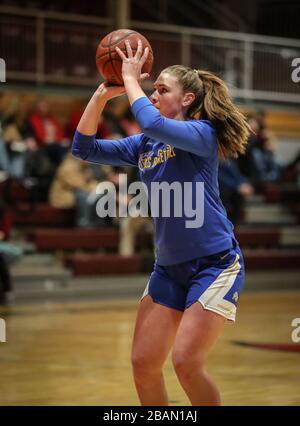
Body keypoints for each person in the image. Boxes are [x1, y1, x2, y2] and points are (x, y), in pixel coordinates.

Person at [71, 40, 250, 406]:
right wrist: (102, 95)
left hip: (214, 265)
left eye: (162, 90)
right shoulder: (144, 144)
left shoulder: (202, 133)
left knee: (185, 362)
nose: (153, 95)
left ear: (186, 99)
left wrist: (130, 78)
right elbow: (83, 148)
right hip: (168, 269)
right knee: (142, 364)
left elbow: (150, 119)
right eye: (152, 90)